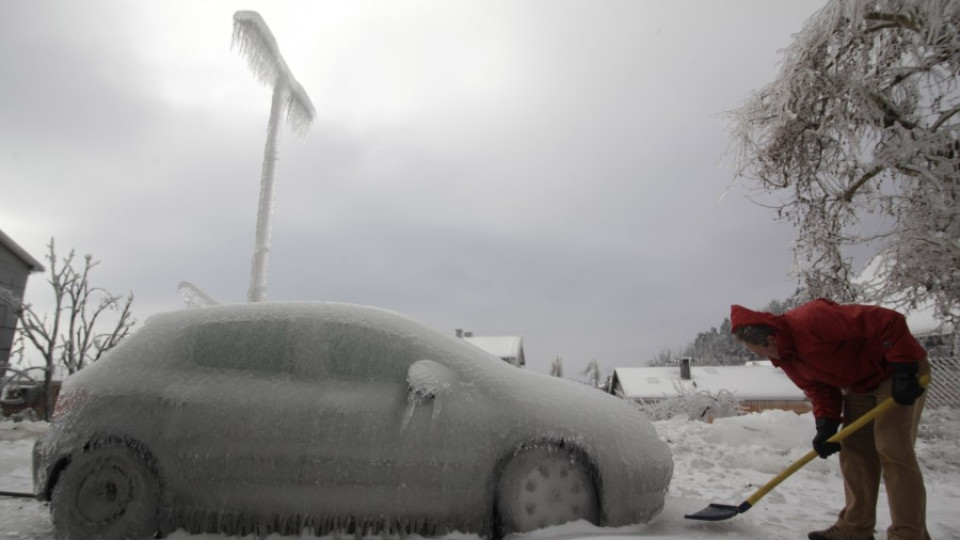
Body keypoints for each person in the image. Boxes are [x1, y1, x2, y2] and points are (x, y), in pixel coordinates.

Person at [730, 298, 930, 540]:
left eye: (755, 351)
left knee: (892, 447)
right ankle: (855, 528)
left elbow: (888, 321)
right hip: (861, 384)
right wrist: (826, 424)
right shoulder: (787, 358)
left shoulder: (813, 319)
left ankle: (908, 533)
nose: (763, 357)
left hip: (897, 371)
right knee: (854, 450)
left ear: (770, 340)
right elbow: (820, 389)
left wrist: (905, 367)